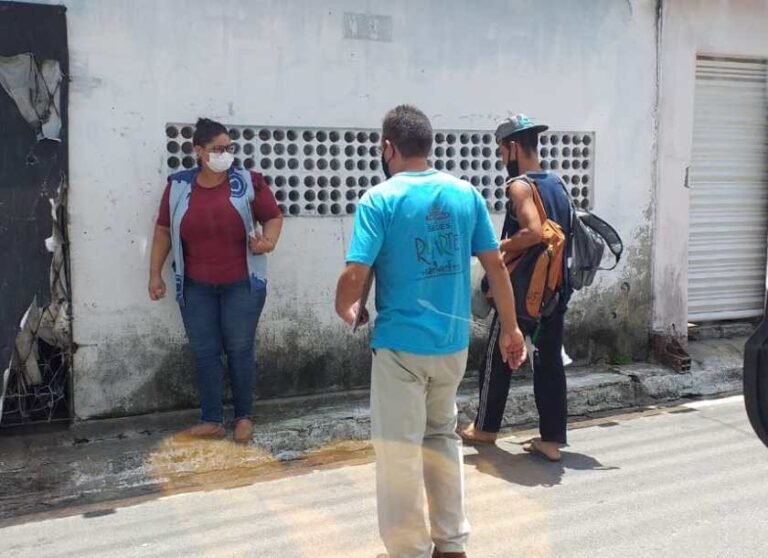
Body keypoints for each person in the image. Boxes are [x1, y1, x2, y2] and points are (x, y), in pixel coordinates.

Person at [335, 105, 526, 558]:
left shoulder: (379, 199)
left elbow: (355, 273)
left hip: (401, 349)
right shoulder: (465, 194)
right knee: (441, 438)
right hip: (451, 347)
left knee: (399, 453)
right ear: (427, 144)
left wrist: (346, 307)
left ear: (388, 147)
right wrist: (511, 329)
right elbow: (496, 266)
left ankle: (410, 550)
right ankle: (452, 542)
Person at [148, 117, 283, 444]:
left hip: (242, 284)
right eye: (217, 149)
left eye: (229, 148)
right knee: (204, 351)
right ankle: (211, 419)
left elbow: (273, 216)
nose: (225, 155)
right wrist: (154, 274)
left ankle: (243, 417)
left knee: (239, 348)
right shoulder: (179, 186)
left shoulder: (247, 181)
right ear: (198, 150)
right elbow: (163, 230)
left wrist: (268, 242)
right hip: (195, 286)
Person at [461, 114, 573, 462]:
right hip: (554, 290)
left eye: (501, 151)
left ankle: (485, 428)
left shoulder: (520, 186)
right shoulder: (557, 183)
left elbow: (534, 232)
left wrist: (497, 247)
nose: (500, 159)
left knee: (497, 357)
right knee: (549, 362)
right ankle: (551, 440)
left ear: (512, 147)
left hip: (523, 292)